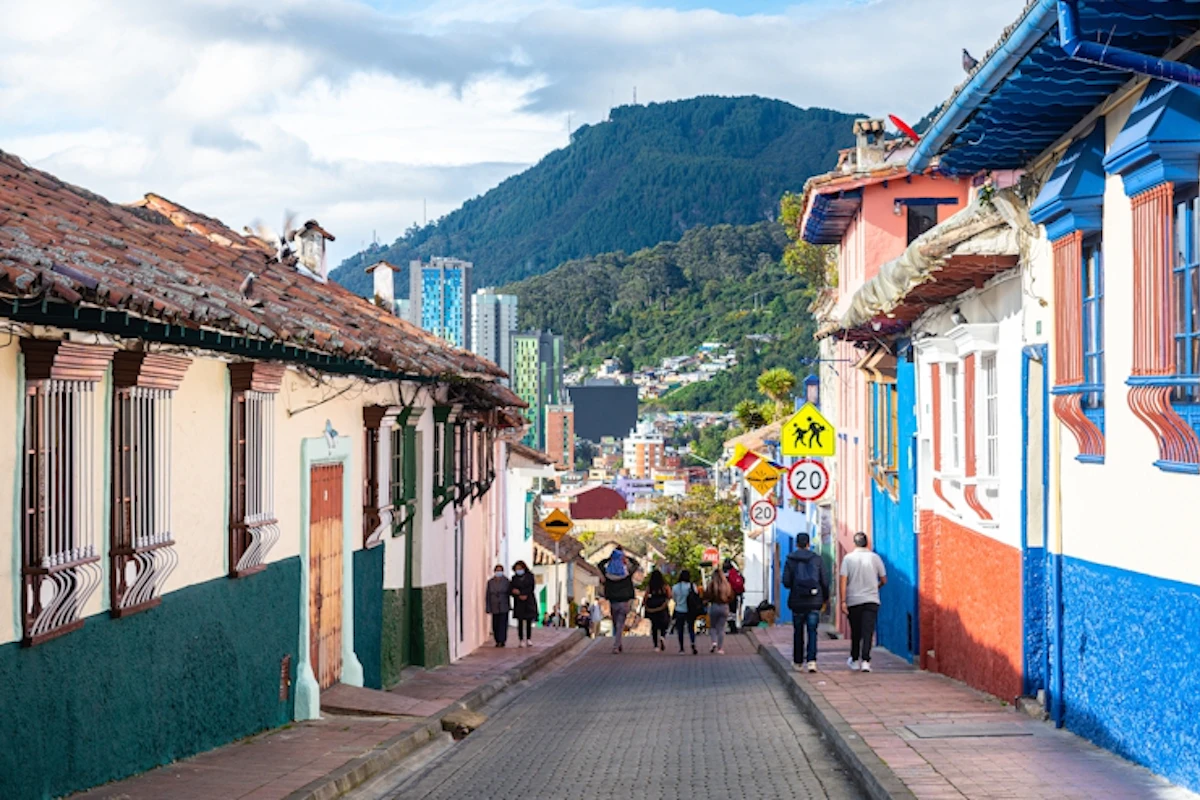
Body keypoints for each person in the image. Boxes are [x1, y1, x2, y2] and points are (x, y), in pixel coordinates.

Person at [839, 532, 887, 672]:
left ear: (854, 543)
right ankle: (866, 661)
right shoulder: (875, 558)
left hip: (854, 600)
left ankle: (854, 660)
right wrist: (875, 588)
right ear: (867, 543)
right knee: (868, 631)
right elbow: (884, 579)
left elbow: (843, 581)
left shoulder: (848, 559)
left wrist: (843, 601)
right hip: (871, 600)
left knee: (856, 631)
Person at [782, 533, 829, 672]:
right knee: (812, 631)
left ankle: (797, 662)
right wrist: (824, 598)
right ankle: (811, 661)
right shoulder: (817, 559)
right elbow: (824, 581)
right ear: (808, 544)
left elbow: (786, 582)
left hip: (797, 601)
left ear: (797, 544)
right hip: (814, 601)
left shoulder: (790, 560)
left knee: (798, 632)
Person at [599, 552, 638, 654]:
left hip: (613, 602)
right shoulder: (627, 574)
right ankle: (618, 645)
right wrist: (627, 558)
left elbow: (600, 565)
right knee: (620, 625)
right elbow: (636, 564)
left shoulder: (608, 575)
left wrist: (608, 559)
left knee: (616, 624)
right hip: (624, 602)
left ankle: (616, 645)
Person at [704, 568, 734, 654]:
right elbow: (731, 596)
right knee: (721, 628)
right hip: (724, 607)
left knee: (713, 627)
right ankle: (720, 648)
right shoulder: (727, 585)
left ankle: (714, 642)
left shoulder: (711, 585)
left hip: (714, 606)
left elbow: (707, 596)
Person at [642, 569, 672, 652]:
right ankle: (662, 636)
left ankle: (656, 646)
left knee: (654, 626)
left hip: (652, 607)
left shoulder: (650, 586)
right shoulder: (664, 586)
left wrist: (644, 604)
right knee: (665, 622)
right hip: (662, 606)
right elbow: (669, 595)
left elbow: (646, 596)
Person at [509, 560, 537, 648]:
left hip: (528, 601)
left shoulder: (530, 577)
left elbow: (531, 587)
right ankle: (521, 639)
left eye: (520, 568)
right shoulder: (514, 578)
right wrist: (517, 594)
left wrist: (523, 593)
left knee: (528, 621)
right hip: (519, 602)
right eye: (517, 569)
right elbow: (511, 589)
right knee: (520, 621)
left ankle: (528, 638)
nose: (518, 570)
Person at [672, 570, 699, 655]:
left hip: (679, 609)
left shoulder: (675, 587)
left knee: (680, 629)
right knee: (691, 628)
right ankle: (692, 642)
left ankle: (682, 648)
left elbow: (674, 598)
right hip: (690, 610)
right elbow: (696, 596)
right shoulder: (692, 586)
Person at [486, 565, 511, 647]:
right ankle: (497, 640)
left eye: (500, 570)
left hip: (504, 605)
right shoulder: (490, 582)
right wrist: (488, 607)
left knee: (503, 623)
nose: (498, 572)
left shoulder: (506, 581)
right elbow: (488, 595)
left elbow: (509, 593)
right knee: (495, 624)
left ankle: (502, 640)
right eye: (497, 570)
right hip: (494, 605)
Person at [723, 559, 745, 634]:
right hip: (736, 594)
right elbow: (743, 580)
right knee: (733, 612)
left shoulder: (725, 573)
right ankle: (733, 628)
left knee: (729, 612)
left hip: (728, 595)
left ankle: (732, 628)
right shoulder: (735, 572)